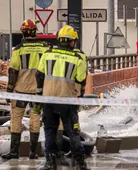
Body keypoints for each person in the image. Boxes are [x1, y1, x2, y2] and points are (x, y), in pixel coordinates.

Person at [36, 25, 90, 170]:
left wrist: (39, 94)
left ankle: (50, 163)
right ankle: (80, 163)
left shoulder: (47, 54)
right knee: (73, 132)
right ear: (72, 41)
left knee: (50, 131)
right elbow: (80, 78)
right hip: (67, 100)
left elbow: (39, 75)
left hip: (48, 100)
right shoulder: (77, 58)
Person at [1, 19, 49, 160]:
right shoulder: (45, 48)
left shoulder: (18, 50)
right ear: (35, 32)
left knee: (16, 120)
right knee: (35, 120)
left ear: (23, 33)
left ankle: (14, 152)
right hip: (38, 92)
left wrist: (9, 91)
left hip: (20, 92)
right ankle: (33, 152)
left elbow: (12, 72)